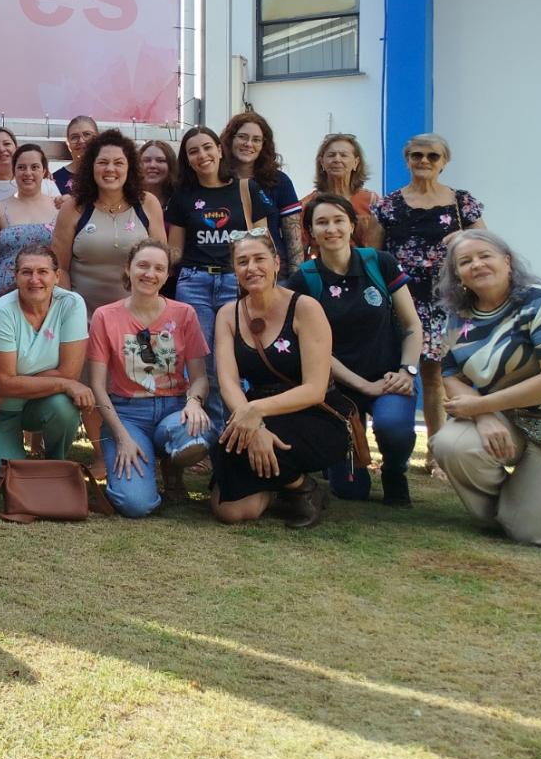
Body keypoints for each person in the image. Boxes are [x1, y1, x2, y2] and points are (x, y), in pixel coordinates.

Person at [432, 230, 541, 547]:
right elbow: (451, 373)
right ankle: (514, 514)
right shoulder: (457, 319)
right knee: (453, 444)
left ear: (507, 262)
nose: (476, 264)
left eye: (485, 256)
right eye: (465, 261)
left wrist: (481, 406)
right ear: (457, 274)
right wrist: (484, 417)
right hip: (511, 419)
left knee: (538, 536)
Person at [288, 194, 422, 505]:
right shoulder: (304, 279)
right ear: (311, 231)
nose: (331, 229)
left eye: (338, 220)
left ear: (352, 225)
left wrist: (407, 371)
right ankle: (335, 460)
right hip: (337, 388)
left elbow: (412, 326)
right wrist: (362, 385)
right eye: (322, 222)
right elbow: (313, 349)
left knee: (393, 427)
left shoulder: (380, 263)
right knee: (351, 492)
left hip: (390, 378)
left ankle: (394, 471)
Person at [210, 230, 348, 529]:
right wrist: (255, 425)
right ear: (235, 270)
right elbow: (228, 382)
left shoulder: (305, 308)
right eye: (242, 262)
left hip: (314, 413)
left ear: (276, 263)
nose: (251, 268)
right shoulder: (227, 315)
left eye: (259, 259)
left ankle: (303, 487)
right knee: (231, 511)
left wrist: (254, 412)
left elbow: (314, 389)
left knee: (252, 446)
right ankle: (279, 486)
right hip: (255, 413)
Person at [372, 133, 485, 470]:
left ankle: (438, 453)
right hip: (402, 302)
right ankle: (394, 454)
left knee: (438, 378)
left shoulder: (461, 202)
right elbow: (375, 257)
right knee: (398, 374)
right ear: (407, 160)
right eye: (417, 155)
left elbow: (485, 245)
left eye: (432, 156)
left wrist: (465, 236)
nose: (424, 161)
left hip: (447, 301)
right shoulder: (388, 205)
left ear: (444, 162)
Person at [86, 240, 211, 515]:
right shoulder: (105, 316)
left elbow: (200, 377)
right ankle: (146, 476)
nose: (149, 274)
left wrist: (194, 402)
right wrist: (121, 437)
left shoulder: (184, 314)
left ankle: (172, 469)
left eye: (159, 268)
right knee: (136, 504)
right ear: (128, 269)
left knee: (196, 434)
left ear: (167, 275)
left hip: (174, 409)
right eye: (142, 265)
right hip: (128, 414)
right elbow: (96, 385)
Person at [166, 125, 274, 431]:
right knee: (203, 363)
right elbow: (175, 250)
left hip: (236, 283)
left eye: (207, 147)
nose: (202, 155)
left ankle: (242, 426)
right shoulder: (183, 196)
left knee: (238, 358)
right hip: (194, 283)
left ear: (219, 150)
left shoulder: (246, 189)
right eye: (193, 151)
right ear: (187, 160)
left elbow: (263, 242)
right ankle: (213, 433)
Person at [0, 245, 94, 481]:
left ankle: (56, 466)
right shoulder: (2, 311)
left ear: (57, 276)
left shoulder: (72, 304)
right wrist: (62, 383)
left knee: (64, 407)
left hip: (35, 400)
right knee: (3, 479)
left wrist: (12, 386)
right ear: (15, 276)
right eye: (26, 272)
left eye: (43, 272)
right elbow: (3, 382)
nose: (34, 279)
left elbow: (69, 371)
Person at [53, 129, 166, 318]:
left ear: (130, 168)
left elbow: (161, 263)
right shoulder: (72, 208)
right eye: (103, 162)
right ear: (91, 167)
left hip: (136, 320)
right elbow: (60, 268)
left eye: (119, 163)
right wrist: (70, 314)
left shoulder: (148, 204)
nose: (110, 169)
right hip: (83, 321)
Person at [0, 126, 58, 316]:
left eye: (35, 167)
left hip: (48, 295)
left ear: (44, 171)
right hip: (5, 298)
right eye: (21, 168)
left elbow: (65, 251)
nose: (28, 173)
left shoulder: (56, 202)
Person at [221, 111, 303, 265]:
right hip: (226, 269)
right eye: (242, 137)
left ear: (263, 145)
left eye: (256, 140)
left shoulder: (279, 181)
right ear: (230, 139)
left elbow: (294, 238)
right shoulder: (217, 180)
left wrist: (295, 275)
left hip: (271, 269)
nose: (248, 144)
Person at [301, 133, 382, 251]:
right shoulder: (307, 204)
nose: (337, 159)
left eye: (343, 155)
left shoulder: (372, 201)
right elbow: (300, 248)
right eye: (331, 155)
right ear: (322, 162)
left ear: (356, 162)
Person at [51, 115, 99, 194]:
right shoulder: (55, 180)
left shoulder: (107, 175)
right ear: (68, 143)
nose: (81, 141)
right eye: (74, 137)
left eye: (87, 134)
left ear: (98, 138)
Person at [138, 139, 179, 222]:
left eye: (160, 160)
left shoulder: (180, 200)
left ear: (171, 166)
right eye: (146, 160)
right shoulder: (126, 199)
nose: (152, 165)